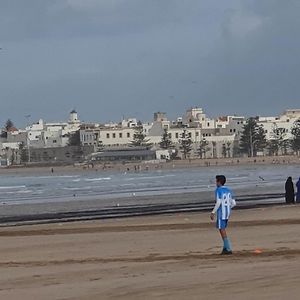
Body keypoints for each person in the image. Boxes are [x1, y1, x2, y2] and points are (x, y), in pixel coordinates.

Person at [210, 175, 236, 255]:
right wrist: (228, 207)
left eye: (216, 181)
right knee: (222, 228)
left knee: (222, 229)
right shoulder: (228, 190)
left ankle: (227, 247)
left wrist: (213, 212)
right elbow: (234, 203)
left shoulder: (218, 190)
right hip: (228, 212)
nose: (215, 183)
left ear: (219, 182)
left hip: (222, 212)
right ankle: (225, 248)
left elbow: (218, 202)